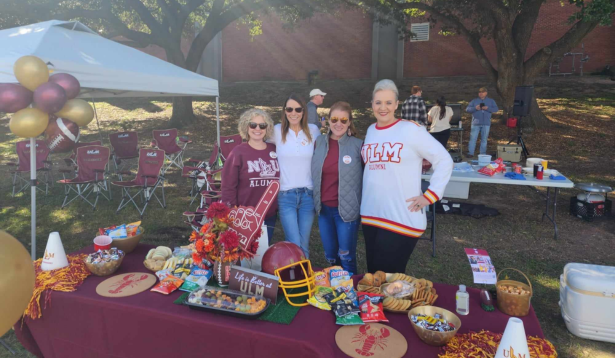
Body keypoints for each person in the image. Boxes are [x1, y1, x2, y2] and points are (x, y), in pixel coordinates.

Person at [361, 79, 453, 273]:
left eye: (388, 102)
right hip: (371, 216)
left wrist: (430, 196)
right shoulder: (370, 131)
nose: (383, 107)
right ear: (372, 104)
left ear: (396, 104)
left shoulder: (411, 130)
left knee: (390, 283)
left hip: (401, 218)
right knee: (374, 277)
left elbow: (444, 160)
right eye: (378, 102)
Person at [312, 101, 363, 274]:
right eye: (334, 119)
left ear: (349, 122)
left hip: (347, 212)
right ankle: (335, 295)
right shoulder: (319, 143)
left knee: (346, 257)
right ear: (328, 121)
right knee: (331, 257)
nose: (338, 124)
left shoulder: (358, 145)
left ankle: (351, 295)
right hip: (324, 211)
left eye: (343, 120)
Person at [273, 94, 321, 258]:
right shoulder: (276, 131)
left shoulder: (314, 131)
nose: (294, 113)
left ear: (303, 111)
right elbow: (257, 141)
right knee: (293, 243)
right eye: (289, 109)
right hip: (286, 195)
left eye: (298, 109)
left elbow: (326, 150)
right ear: (285, 111)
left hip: (308, 195)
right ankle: (294, 280)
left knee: (304, 243)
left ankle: (304, 282)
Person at [221, 108, 279, 240]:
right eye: (253, 125)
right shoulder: (238, 152)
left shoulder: (275, 150)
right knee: (245, 256)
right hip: (245, 217)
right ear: (246, 127)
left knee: (262, 253)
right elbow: (228, 185)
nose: (257, 129)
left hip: (269, 214)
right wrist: (231, 211)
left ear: (267, 128)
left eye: (262, 125)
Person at [466, 87, 499, 157]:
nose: (481, 93)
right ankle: (470, 153)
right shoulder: (474, 101)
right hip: (475, 123)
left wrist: (488, 108)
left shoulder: (491, 101)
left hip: (486, 123)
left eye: (482, 92)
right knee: (473, 139)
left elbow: (496, 109)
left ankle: (482, 153)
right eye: (479, 92)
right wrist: (475, 108)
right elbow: (467, 109)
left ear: (486, 93)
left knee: (484, 139)